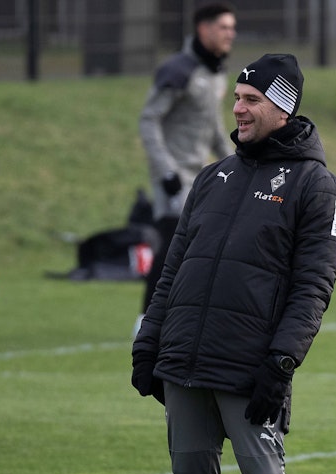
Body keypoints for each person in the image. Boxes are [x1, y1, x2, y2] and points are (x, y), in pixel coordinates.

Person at [132, 53, 336, 474]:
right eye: (236, 97)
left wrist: (281, 363)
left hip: (248, 370)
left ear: (282, 108)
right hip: (183, 365)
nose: (237, 109)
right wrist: (148, 342)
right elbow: (172, 272)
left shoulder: (318, 187)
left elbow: (313, 288)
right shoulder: (212, 178)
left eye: (251, 99)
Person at [135, 2, 237, 336]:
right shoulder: (178, 70)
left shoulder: (216, 72)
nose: (230, 34)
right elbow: (149, 121)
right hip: (174, 176)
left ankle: (190, 318)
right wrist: (165, 171)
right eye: (223, 27)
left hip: (201, 175)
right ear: (203, 29)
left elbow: (213, 127)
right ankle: (146, 322)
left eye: (232, 28)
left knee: (203, 244)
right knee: (171, 245)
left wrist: (239, 160)